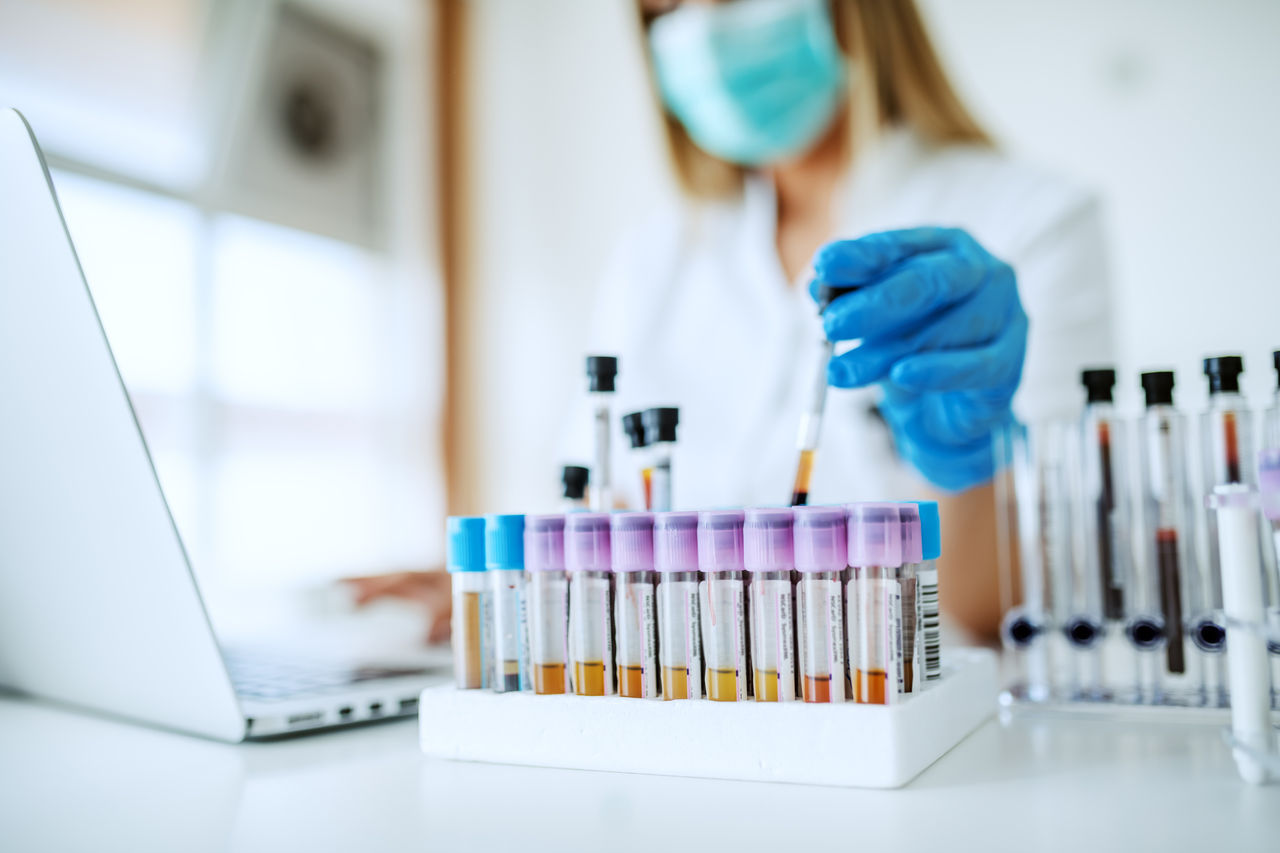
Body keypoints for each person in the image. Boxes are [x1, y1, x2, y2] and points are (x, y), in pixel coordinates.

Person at [353, 0, 1111, 642]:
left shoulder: (1028, 222)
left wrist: (964, 465)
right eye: (667, 7)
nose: (704, 32)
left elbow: (1003, 609)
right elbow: (602, 517)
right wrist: (516, 591)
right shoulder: (656, 260)